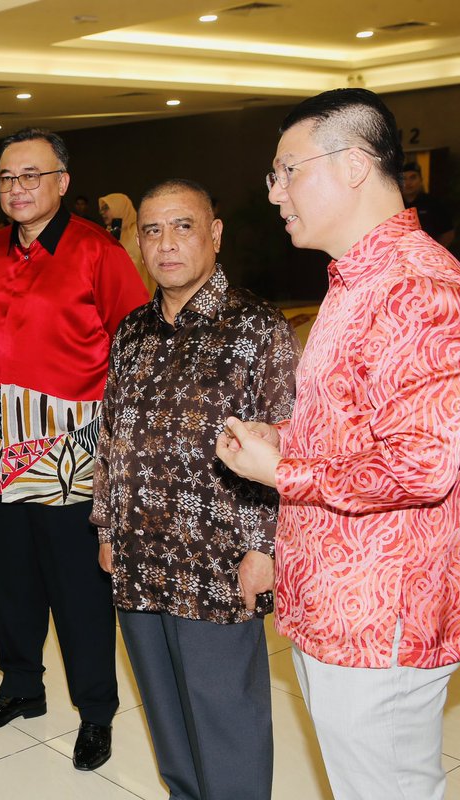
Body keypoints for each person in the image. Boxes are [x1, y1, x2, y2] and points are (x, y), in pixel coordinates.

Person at [217, 88, 460, 800]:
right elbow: (350, 428)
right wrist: (278, 438)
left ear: (354, 165)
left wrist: (282, 467)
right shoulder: (356, 281)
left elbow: (422, 467)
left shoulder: (420, 289)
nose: (274, 192)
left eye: (288, 171)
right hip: (333, 601)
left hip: (380, 619)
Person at [92, 178, 299, 799]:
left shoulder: (257, 328)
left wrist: (265, 547)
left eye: (183, 226)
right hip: (137, 553)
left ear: (215, 234)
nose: (166, 244)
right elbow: (112, 435)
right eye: (151, 229)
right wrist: (106, 526)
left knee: (224, 717)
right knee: (166, 714)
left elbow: (287, 440)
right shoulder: (132, 331)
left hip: (217, 559)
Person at [0, 128, 149, 771]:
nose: (17, 188)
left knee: (77, 584)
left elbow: (136, 350)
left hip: (71, 438)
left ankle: (96, 711)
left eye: (31, 176)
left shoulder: (98, 252)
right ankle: (20, 688)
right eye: (7, 178)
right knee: (11, 576)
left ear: (62, 183)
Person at [98, 192, 152, 295]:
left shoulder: (139, 232)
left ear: (119, 207)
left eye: (106, 208)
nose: (102, 212)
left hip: (138, 293)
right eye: (101, 209)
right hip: (115, 294)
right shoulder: (108, 233)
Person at [400, 161, 455, 247]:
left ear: (421, 180)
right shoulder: (395, 205)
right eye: (404, 179)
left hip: (429, 253)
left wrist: (435, 251)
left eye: (413, 177)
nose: (408, 183)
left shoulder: (433, 203)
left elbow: (448, 233)